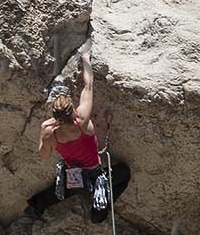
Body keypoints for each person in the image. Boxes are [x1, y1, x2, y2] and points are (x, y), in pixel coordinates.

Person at [25, 47, 131, 223]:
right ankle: (101, 203)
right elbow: (88, 84)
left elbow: (44, 155)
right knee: (123, 173)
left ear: (55, 115)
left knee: (61, 189)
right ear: (72, 111)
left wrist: (43, 136)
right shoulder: (82, 121)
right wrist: (85, 58)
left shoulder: (51, 133)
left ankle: (35, 207)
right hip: (94, 175)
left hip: (73, 176)